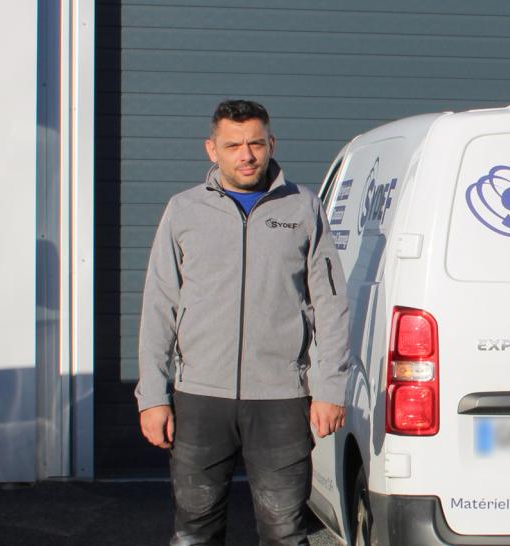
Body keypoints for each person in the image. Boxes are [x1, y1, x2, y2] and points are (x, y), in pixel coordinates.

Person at [135, 99, 349, 545]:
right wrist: (152, 396)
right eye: (233, 145)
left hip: (281, 398)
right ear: (211, 149)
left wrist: (329, 389)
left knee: (285, 530)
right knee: (194, 530)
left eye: (256, 143)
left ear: (272, 144)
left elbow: (330, 304)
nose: (246, 155)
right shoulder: (184, 210)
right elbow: (159, 305)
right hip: (200, 397)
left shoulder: (303, 208)